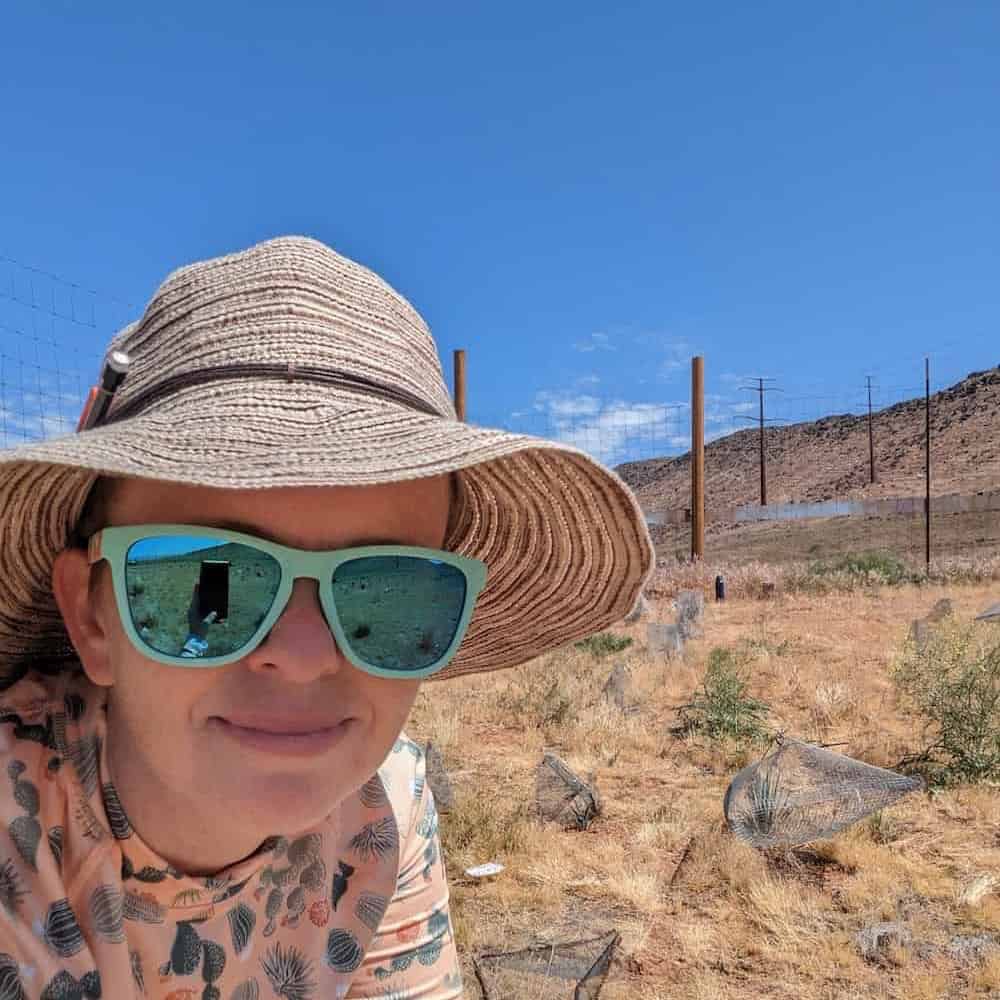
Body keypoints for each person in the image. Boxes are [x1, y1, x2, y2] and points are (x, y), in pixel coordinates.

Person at [0, 236, 655, 998]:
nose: (306, 653)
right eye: (211, 586)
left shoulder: (384, 810)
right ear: (91, 616)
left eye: (387, 591)